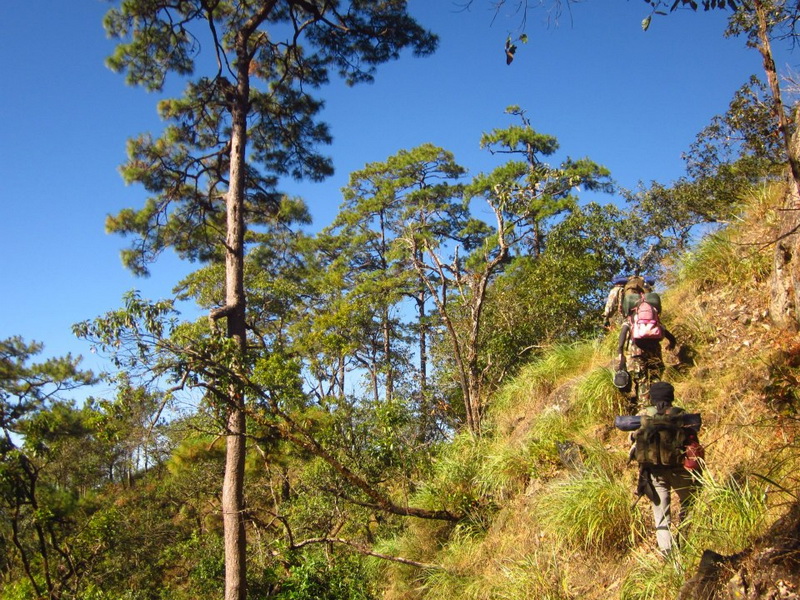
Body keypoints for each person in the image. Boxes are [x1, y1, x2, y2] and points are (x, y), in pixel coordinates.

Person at [631, 382, 700, 557]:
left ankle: (668, 555)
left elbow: (633, 441)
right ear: (671, 397)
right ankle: (684, 539)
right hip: (680, 470)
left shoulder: (643, 416)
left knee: (661, 515)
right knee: (691, 502)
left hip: (654, 473)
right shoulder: (681, 414)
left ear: (652, 398)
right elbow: (693, 442)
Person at [616, 289, 676, 410]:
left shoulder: (631, 318)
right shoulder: (653, 317)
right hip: (654, 351)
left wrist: (620, 351)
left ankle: (644, 407)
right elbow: (665, 331)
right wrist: (672, 342)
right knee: (655, 376)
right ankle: (659, 405)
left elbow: (623, 334)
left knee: (641, 378)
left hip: (637, 351)